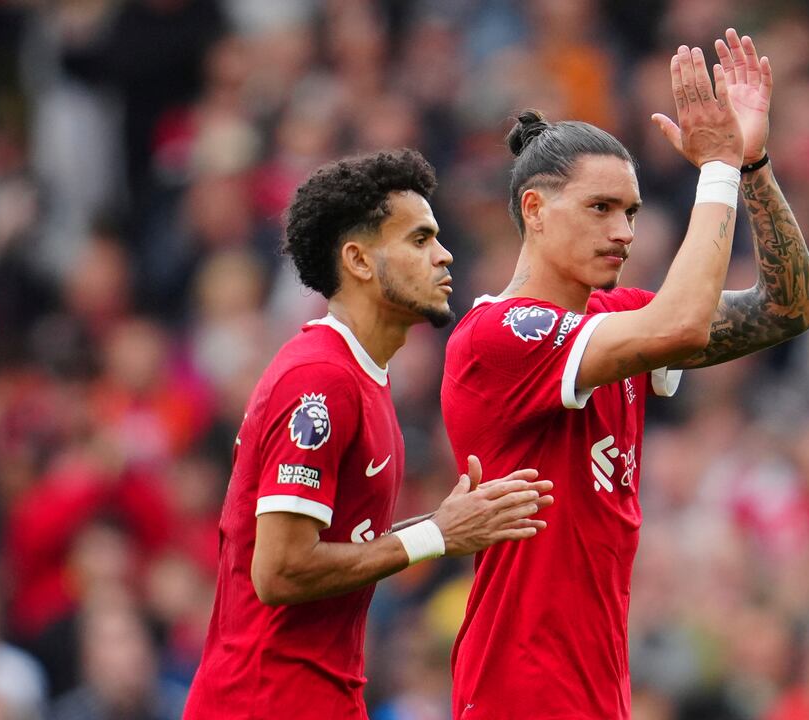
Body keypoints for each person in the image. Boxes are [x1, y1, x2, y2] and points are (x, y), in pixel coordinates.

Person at [440, 32, 809, 719]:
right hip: (521, 697)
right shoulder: (503, 336)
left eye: (632, 213)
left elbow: (792, 306)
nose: (625, 231)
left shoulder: (617, 322)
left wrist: (751, 162)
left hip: (597, 695)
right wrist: (713, 169)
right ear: (534, 209)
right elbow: (681, 324)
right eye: (600, 208)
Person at [184, 149, 554, 720]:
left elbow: (334, 547)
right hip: (266, 700)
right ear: (358, 260)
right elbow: (279, 570)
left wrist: (445, 527)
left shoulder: (362, 378)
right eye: (419, 240)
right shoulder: (320, 381)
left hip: (320, 696)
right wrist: (434, 536)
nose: (444, 254)